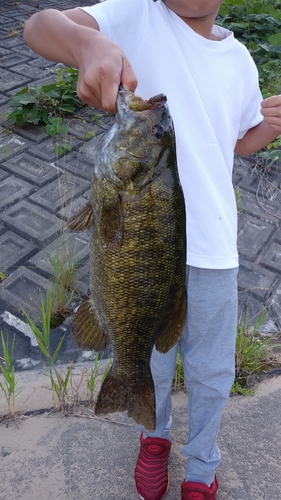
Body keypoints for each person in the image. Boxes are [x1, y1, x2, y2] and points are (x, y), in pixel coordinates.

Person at [23, 1, 281, 499]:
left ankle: (203, 463)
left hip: (213, 251)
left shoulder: (241, 60)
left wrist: (268, 128)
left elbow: (235, 142)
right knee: (149, 360)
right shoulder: (135, 16)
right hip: (148, 251)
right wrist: (88, 43)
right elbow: (37, 27)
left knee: (212, 370)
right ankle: (153, 436)